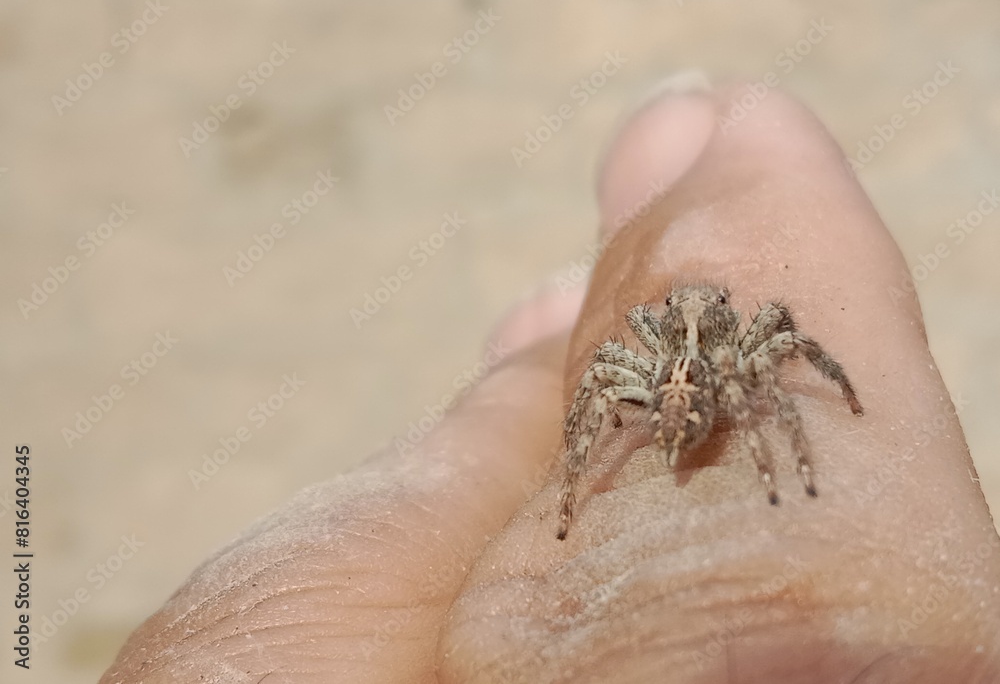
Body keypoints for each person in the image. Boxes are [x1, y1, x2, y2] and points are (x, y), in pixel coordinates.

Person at [100, 81, 1000, 683]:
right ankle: (589, 480)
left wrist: (592, 466)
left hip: (685, 391)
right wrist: (806, 439)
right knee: (738, 373)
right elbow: (762, 372)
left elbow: (624, 375)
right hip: (708, 393)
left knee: (611, 379)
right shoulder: (711, 357)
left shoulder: (650, 362)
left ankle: (570, 472)